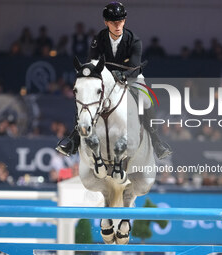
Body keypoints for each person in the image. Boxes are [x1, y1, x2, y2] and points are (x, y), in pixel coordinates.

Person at [56, 2, 171, 159]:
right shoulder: (98, 39)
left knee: (145, 100)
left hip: (131, 77)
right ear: (106, 22)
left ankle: (157, 142)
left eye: (120, 21)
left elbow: (133, 66)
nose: (117, 25)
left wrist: (121, 74)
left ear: (124, 21)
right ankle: (73, 140)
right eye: (113, 22)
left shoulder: (134, 41)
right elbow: (92, 64)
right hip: (105, 78)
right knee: (85, 97)